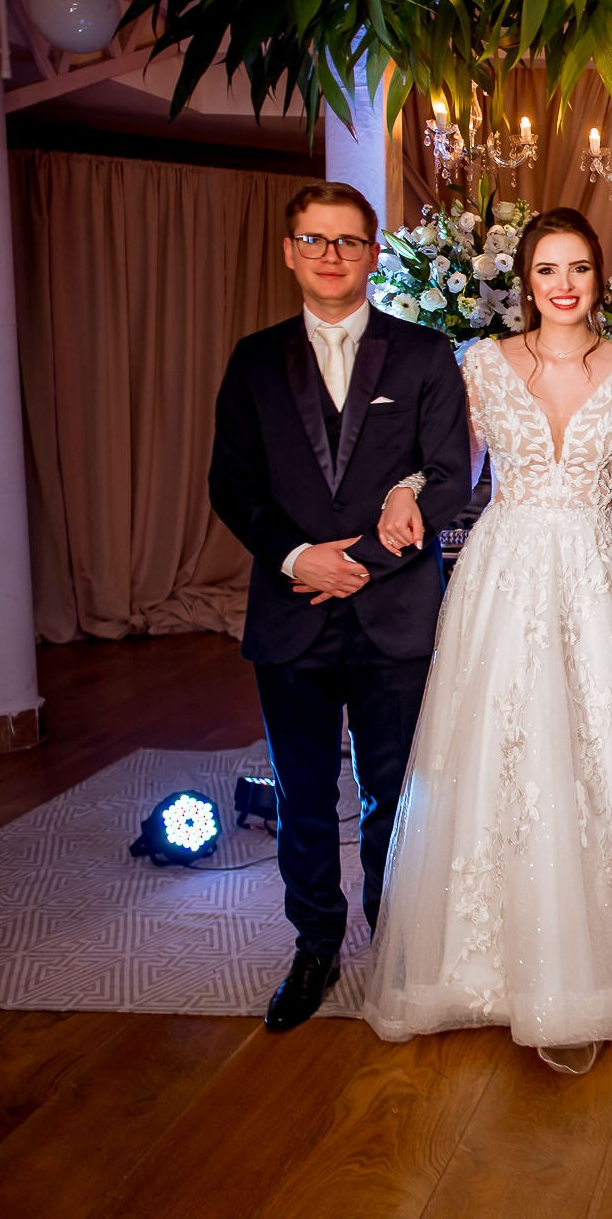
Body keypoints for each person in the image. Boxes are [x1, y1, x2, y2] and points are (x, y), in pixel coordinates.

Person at [359, 208, 612, 1075]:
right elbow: (447, 462)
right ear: (526, 281)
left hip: (597, 562)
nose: (563, 285)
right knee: (499, 748)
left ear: (600, 276)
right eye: (547, 270)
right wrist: (404, 488)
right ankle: (485, 964)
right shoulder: (480, 363)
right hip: (506, 566)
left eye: (579, 268)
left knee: (603, 746)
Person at [208, 180, 471, 1032]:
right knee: (303, 791)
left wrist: (359, 557)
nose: (331, 255)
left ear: (373, 251)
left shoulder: (427, 354)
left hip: (395, 612)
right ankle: (315, 942)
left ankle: (394, 942)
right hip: (290, 611)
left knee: (398, 793)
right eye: (315, 241)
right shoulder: (252, 360)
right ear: (290, 251)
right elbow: (233, 484)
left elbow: (449, 475)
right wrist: (299, 557)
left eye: (348, 241)